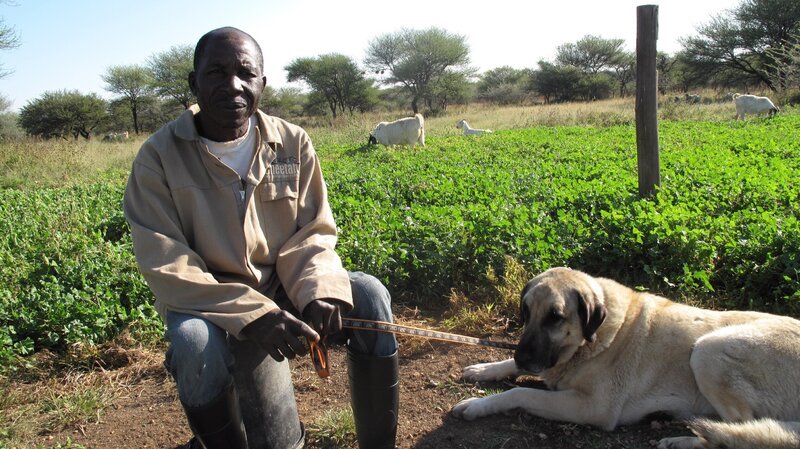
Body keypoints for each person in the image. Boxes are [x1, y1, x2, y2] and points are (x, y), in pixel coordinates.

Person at [123, 26, 398, 449]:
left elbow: (313, 231)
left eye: (245, 74)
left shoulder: (291, 143)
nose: (232, 85)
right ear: (194, 83)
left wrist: (318, 291)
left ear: (262, 85)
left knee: (369, 295)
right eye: (216, 73)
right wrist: (253, 315)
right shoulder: (158, 158)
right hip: (211, 305)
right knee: (192, 342)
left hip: (283, 291)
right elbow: (167, 264)